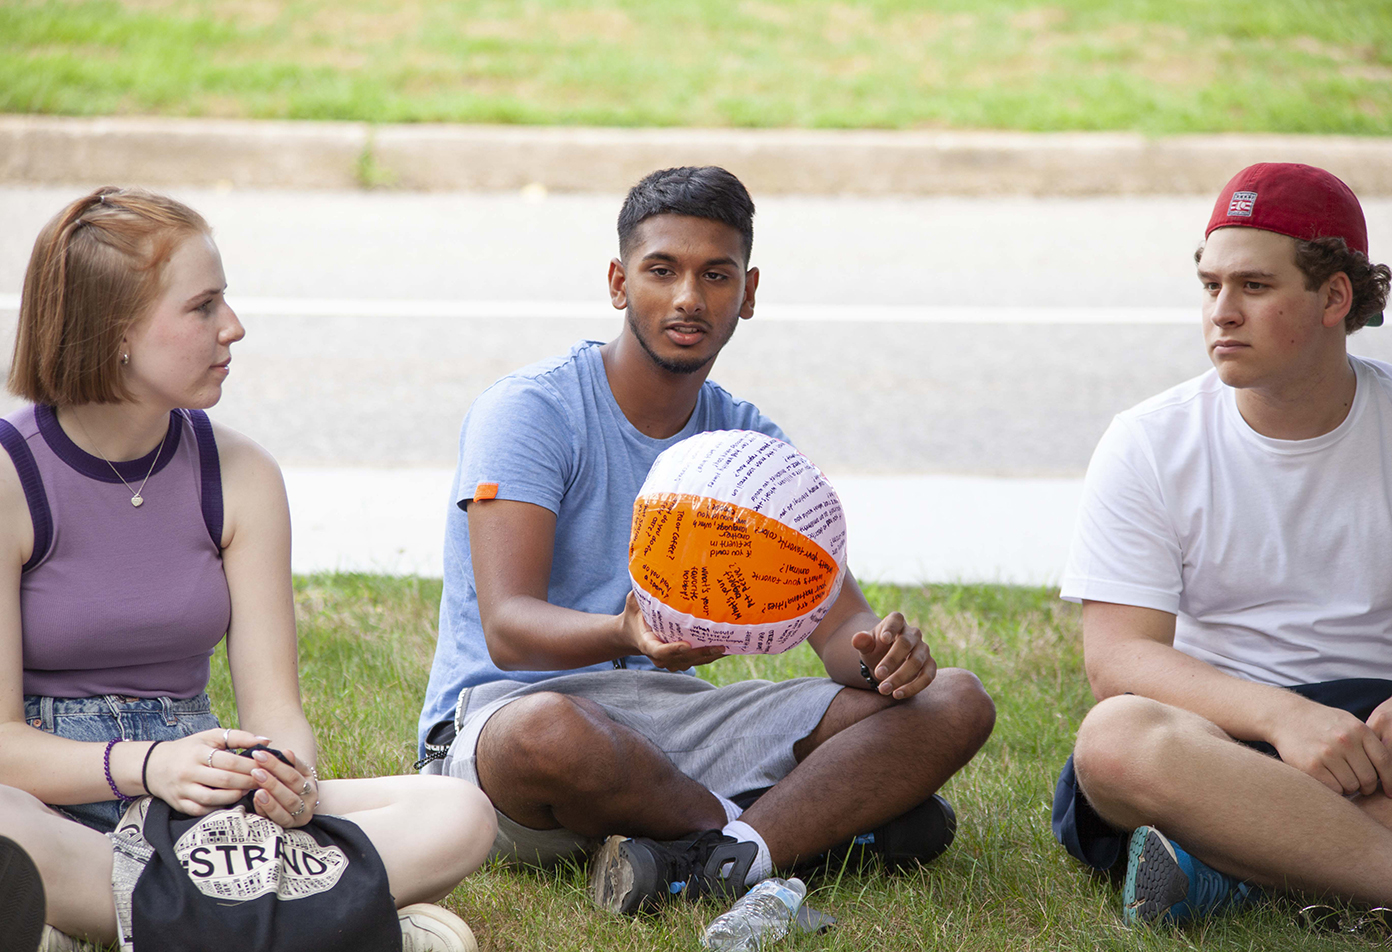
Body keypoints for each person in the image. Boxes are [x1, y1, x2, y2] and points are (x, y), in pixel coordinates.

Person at [417, 165, 996, 917]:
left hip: (669, 724)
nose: (688, 297)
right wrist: (625, 631)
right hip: (507, 722)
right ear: (619, 283)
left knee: (955, 701)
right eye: (662, 270)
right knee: (550, 731)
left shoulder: (748, 443)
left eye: (715, 275)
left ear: (747, 294)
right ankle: (802, 832)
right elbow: (509, 631)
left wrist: (882, 655)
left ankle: (723, 857)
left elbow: (837, 627)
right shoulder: (531, 411)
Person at [0, 188, 496, 951]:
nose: (233, 327)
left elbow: (275, 710)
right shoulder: (10, 475)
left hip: (215, 800)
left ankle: (93, 921)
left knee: (460, 814)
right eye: (203, 307)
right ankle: (334, 911)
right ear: (116, 333)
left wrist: (286, 774)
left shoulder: (240, 473)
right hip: (61, 792)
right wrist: (148, 765)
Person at [1052, 162, 1392, 925]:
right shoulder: (1149, 441)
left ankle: (1224, 862)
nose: (1221, 312)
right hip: (1215, 739)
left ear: (1334, 297)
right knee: (1115, 739)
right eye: (1210, 285)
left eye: (1253, 287)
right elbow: (1119, 660)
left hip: (1391, 743)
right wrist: (1285, 718)